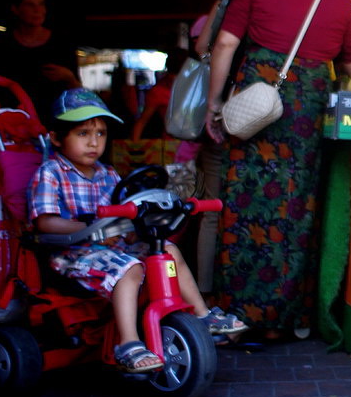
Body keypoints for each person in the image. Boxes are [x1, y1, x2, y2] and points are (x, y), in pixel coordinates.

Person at [203, 0, 351, 340]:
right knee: (294, 207)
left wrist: (214, 103)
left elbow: (224, 43)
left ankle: (236, 312)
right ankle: (285, 316)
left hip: (256, 101)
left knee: (244, 202)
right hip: (303, 111)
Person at [29, 87, 247, 373]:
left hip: (112, 248)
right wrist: (91, 228)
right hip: (72, 254)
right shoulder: (51, 172)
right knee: (130, 268)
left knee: (166, 249)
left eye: (100, 134)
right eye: (83, 134)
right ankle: (128, 343)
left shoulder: (108, 174)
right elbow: (44, 222)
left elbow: (125, 209)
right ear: (57, 138)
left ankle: (202, 314)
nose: (93, 142)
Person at [0, 0, 81, 123]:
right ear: (16, 9)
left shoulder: (61, 43)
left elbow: (78, 91)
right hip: (14, 123)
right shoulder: (0, 43)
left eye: (41, 4)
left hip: (56, 122)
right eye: (30, 5)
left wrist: (68, 77)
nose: (37, 10)